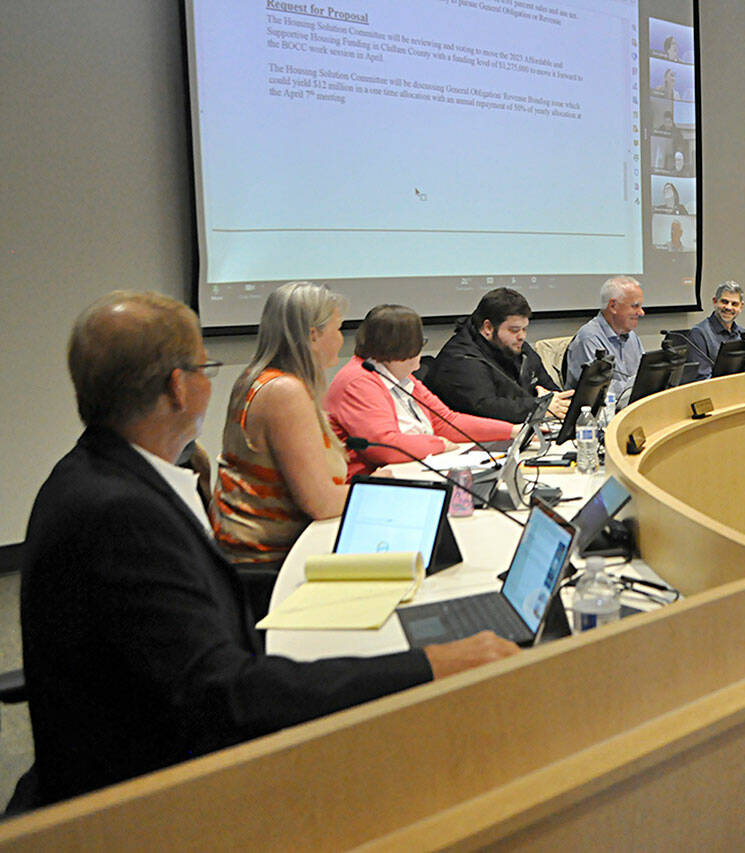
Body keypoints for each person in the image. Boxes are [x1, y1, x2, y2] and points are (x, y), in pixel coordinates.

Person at [17, 290, 517, 807]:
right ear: (177, 388)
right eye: (204, 369)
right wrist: (428, 664)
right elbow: (223, 696)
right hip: (147, 801)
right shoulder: (121, 516)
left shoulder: (102, 476)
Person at [212, 282, 353, 614]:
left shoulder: (257, 378)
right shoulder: (284, 392)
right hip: (269, 565)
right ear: (313, 335)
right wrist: (383, 489)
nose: (343, 339)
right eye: (339, 328)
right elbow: (320, 502)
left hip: (250, 556)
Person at [326, 304, 519, 477]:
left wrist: (512, 431)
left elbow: (447, 421)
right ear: (405, 346)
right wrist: (439, 444)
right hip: (367, 484)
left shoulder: (400, 374)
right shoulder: (358, 381)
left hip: (409, 470)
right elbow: (384, 446)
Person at [429, 289, 572, 425]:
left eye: (524, 329)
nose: (522, 336)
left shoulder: (519, 348)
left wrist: (559, 401)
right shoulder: (461, 359)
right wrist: (540, 406)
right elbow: (486, 407)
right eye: (514, 330)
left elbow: (548, 387)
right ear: (488, 328)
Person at [565, 276, 646, 399]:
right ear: (613, 306)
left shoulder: (632, 337)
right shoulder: (589, 337)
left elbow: (643, 377)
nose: (641, 312)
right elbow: (601, 391)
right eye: (635, 306)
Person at [686, 281, 745, 380]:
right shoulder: (699, 333)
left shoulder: (743, 334)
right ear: (715, 301)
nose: (728, 307)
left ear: (741, 307)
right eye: (724, 302)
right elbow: (702, 378)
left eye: (734, 304)